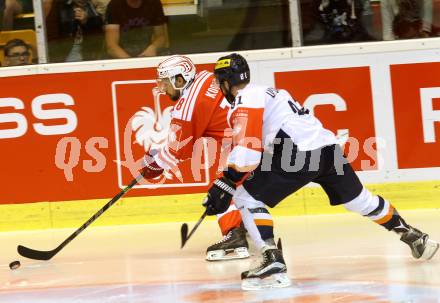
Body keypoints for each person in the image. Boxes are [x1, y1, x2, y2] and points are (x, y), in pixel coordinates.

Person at [202, 53, 440, 290]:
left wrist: (226, 182)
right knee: (360, 200)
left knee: (246, 196)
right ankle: (415, 237)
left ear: (225, 82)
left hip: (298, 152)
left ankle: (271, 257)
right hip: (328, 149)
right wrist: (229, 179)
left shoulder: (244, 99)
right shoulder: (272, 92)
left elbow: (248, 152)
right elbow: (259, 151)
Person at [139, 55, 251, 261]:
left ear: (179, 80)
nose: (162, 89)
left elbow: (177, 151)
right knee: (239, 185)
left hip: (247, 144)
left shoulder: (188, 105)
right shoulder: (207, 78)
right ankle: (250, 228)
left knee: (221, 187)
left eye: (165, 82)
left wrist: (153, 167)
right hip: (256, 136)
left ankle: (235, 236)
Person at [104, 0, 168, 58]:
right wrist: (131, 62)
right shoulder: (114, 5)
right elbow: (111, 46)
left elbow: (161, 37)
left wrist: (153, 48)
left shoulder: (154, 2)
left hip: (147, 55)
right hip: (121, 57)